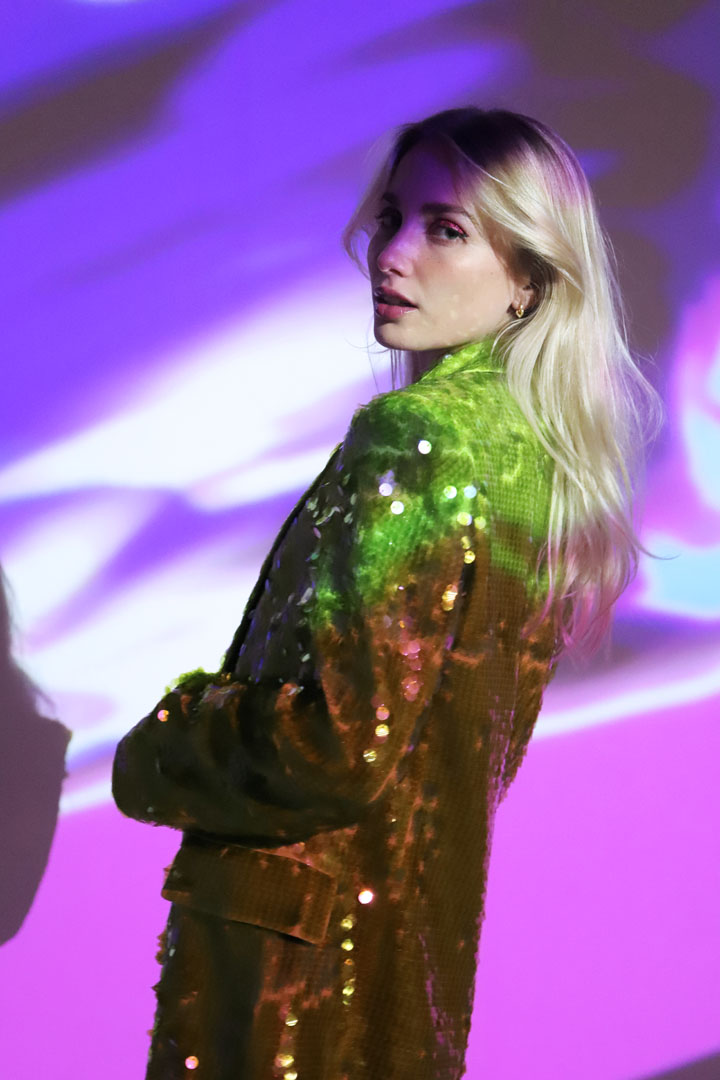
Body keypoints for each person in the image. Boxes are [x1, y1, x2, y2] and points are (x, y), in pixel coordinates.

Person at [112, 106, 661, 1079]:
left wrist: (167, 743)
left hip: (288, 972)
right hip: (407, 964)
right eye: (391, 218)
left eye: (446, 230)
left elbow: (340, 744)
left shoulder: (414, 437)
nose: (393, 253)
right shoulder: (538, 467)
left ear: (530, 279)